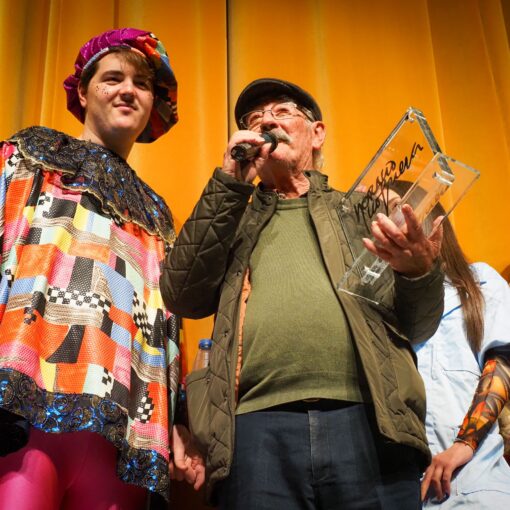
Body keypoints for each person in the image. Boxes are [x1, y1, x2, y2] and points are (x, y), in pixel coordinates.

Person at [161, 78, 445, 509]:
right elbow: (180, 294)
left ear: (317, 133)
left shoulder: (361, 211)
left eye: (282, 111)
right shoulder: (231, 216)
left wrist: (418, 273)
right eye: (255, 119)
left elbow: (417, 325)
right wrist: (229, 184)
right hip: (254, 429)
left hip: (370, 423)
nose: (266, 122)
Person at [0, 28, 203, 510]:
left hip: (122, 432)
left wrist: (177, 420)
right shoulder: (31, 153)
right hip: (27, 410)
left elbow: (167, 327)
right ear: (83, 91)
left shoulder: (158, 213)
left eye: (141, 83)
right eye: (113, 78)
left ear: (153, 105)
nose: (128, 90)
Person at [409, 206, 510, 507]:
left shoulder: (479, 281)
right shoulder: (379, 303)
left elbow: (502, 362)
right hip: (404, 489)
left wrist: (464, 444)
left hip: (476, 482)